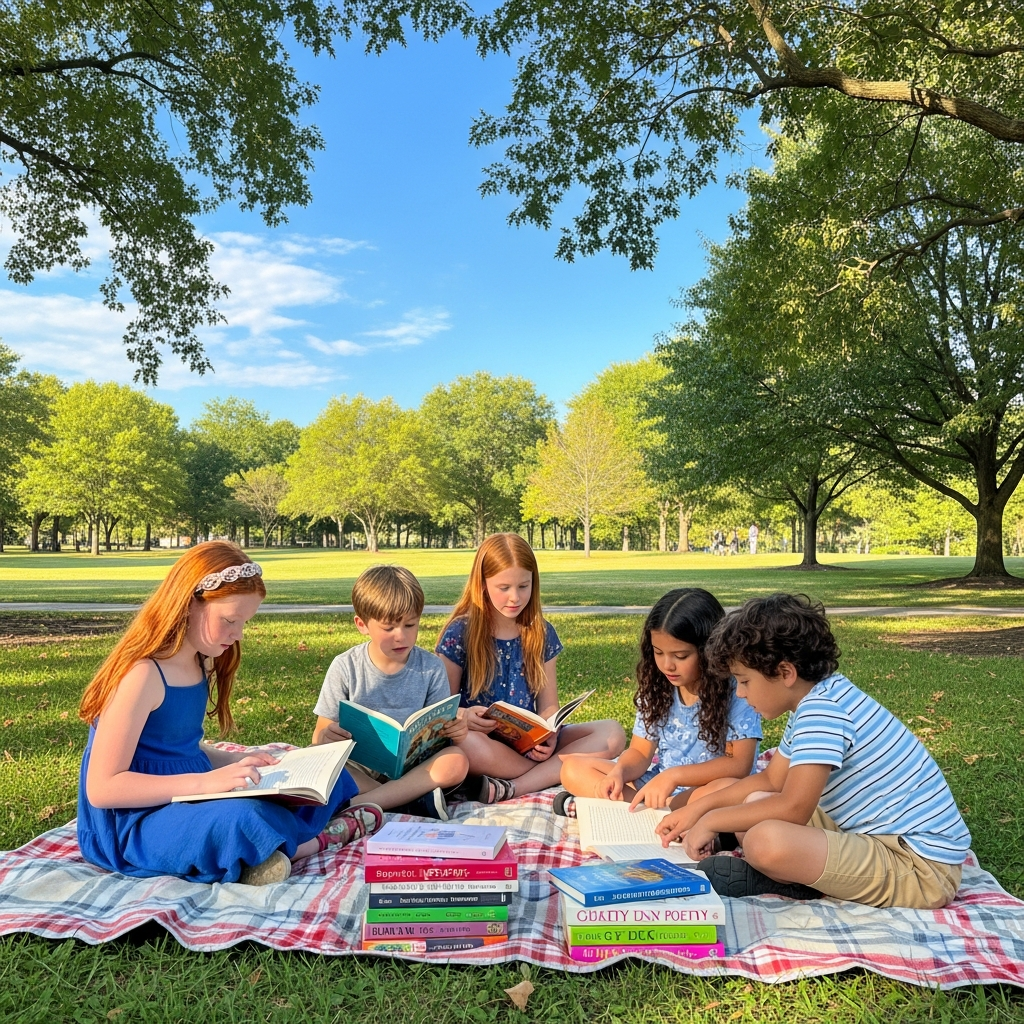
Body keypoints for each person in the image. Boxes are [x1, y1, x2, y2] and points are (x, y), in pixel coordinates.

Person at [76, 542, 372, 887]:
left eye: (244, 622)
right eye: (230, 620)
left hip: (188, 796)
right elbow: (103, 788)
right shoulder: (142, 675)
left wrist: (241, 759)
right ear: (189, 604)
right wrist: (206, 783)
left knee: (323, 781)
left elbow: (178, 751)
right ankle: (313, 842)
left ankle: (270, 848)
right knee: (243, 817)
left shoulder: (198, 661)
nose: (238, 634)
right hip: (135, 824)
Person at [656, 594, 970, 908]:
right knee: (753, 803)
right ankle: (792, 873)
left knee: (765, 841)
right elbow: (769, 782)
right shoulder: (816, 700)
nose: (741, 692)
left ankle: (793, 883)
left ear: (785, 673)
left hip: (920, 869)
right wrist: (700, 811)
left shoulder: (823, 713)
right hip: (873, 839)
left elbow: (794, 808)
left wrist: (712, 821)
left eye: (745, 681)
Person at [436, 533, 625, 803]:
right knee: (464, 743)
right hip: (483, 745)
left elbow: (549, 706)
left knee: (612, 733)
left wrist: (550, 736)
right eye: (504, 587)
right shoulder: (461, 632)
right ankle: (548, 775)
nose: (515, 597)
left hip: (528, 745)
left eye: (523, 586)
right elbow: (442, 708)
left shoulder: (541, 632)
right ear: (482, 584)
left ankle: (515, 786)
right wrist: (464, 715)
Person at [555, 589, 761, 817]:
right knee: (573, 768)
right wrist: (621, 772)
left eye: (680, 656)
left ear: (709, 650)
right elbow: (641, 753)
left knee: (730, 788)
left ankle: (642, 811)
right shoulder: (657, 687)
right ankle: (655, 812)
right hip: (656, 786)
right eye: (658, 652)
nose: (667, 665)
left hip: (703, 789)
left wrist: (673, 777)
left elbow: (739, 765)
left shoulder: (737, 691)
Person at [311, 565, 469, 820]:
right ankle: (405, 802)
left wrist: (455, 732)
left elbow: (439, 735)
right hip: (359, 768)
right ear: (362, 624)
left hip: (412, 770)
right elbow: (319, 735)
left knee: (456, 760)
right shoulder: (346, 666)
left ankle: (364, 803)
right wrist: (326, 736)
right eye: (389, 628)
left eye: (410, 625)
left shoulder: (430, 667)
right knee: (322, 764)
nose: (401, 636)